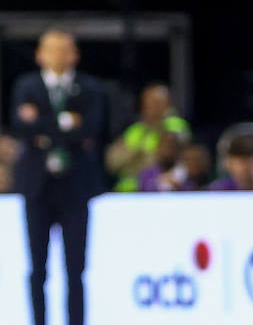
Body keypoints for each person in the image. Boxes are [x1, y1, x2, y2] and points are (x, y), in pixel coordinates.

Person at [11, 29, 108, 325]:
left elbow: (92, 128)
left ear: (74, 54)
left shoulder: (89, 87)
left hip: (75, 188)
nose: (58, 55)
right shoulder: (26, 86)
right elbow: (21, 127)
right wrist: (66, 123)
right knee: (37, 268)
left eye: (64, 49)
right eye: (51, 49)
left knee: (75, 269)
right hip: (38, 188)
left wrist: (43, 127)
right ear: (40, 54)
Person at [104, 82, 190, 192]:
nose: (151, 108)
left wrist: (137, 162)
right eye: (147, 103)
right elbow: (112, 162)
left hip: (163, 186)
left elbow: (171, 159)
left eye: (157, 103)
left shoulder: (175, 126)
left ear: (167, 104)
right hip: (131, 190)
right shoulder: (136, 130)